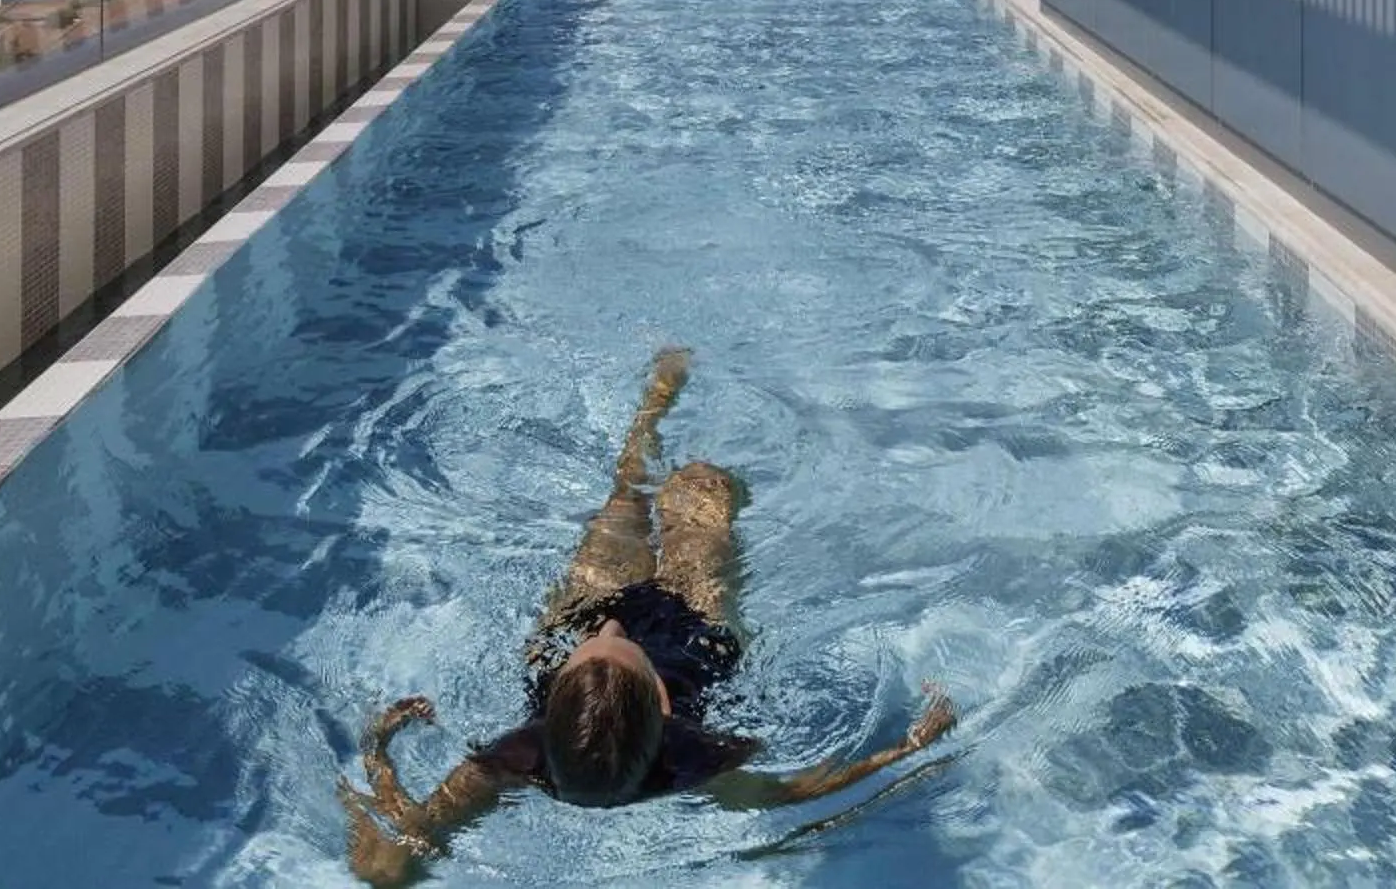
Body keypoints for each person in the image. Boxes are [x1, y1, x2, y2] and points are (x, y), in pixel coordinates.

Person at [342, 348, 956, 884]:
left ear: (550, 710)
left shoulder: (512, 758)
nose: (616, 630)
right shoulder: (691, 759)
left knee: (624, 502)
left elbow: (393, 858)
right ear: (661, 707)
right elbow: (790, 794)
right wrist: (906, 750)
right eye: (616, 642)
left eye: (604, 643)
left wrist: (377, 749)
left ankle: (652, 410)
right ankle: (670, 438)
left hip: (568, 627)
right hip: (692, 636)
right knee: (703, 489)